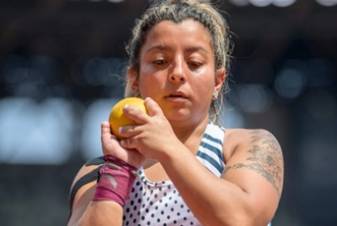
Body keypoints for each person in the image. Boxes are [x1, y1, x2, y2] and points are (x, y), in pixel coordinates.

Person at [67, 0, 284, 225]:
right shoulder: (100, 171)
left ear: (218, 82)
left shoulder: (248, 146)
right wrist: (118, 171)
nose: (178, 73)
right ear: (134, 78)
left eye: (194, 62)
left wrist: (167, 147)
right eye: (160, 61)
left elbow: (241, 219)